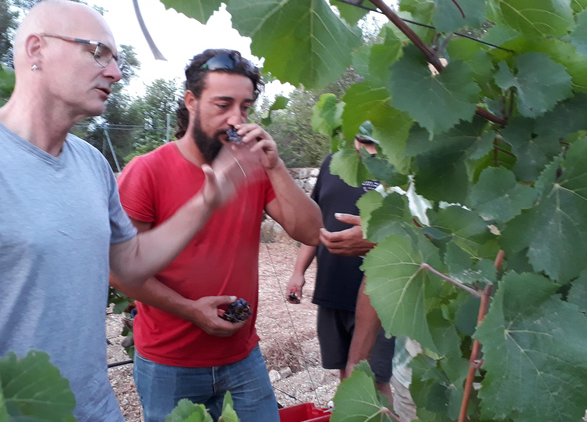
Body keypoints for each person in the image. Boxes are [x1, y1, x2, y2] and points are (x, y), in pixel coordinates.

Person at [0, 0, 246, 422]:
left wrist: (207, 200)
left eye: (117, 60)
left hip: (95, 411)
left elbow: (129, 267)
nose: (115, 72)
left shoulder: (91, 164)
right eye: (98, 52)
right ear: (36, 50)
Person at [111, 49, 323, 422]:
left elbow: (310, 231)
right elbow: (120, 272)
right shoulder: (147, 171)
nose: (236, 120)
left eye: (245, 107)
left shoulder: (252, 169)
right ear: (191, 102)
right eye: (223, 104)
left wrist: (275, 166)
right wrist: (190, 310)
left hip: (243, 358)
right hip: (168, 364)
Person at [286, 123, 395, 400]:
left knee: (374, 382)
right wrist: (298, 272)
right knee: (345, 376)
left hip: (377, 293)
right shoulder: (332, 163)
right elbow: (315, 224)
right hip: (331, 288)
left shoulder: (394, 166)